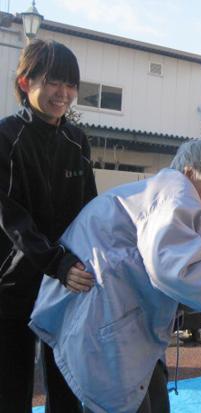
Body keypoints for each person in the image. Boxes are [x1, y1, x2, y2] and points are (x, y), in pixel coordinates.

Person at [29, 138, 201, 413]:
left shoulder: (159, 194)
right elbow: (175, 272)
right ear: (190, 173)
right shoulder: (176, 194)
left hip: (99, 317)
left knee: (146, 397)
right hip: (102, 320)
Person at [0, 39, 97, 412]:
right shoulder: (7, 137)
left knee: (68, 386)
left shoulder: (76, 140)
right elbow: (11, 216)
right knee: (12, 390)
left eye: (71, 84)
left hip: (68, 282)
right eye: (54, 82)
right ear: (26, 83)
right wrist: (56, 263)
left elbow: (90, 210)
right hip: (16, 282)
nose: (65, 93)